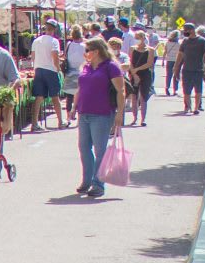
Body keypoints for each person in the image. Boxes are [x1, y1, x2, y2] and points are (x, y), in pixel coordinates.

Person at [72, 36, 126, 199]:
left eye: (87, 51)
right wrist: (74, 107)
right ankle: (87, 180)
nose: (85, 54)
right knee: (83, 147)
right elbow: (80, 89)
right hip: (84, 112)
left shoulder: (111, 67)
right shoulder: (86, 67)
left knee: (100, 149)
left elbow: (120, 90)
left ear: (96, 51)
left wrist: (119, 114)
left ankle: (98, 183)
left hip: (102, 114)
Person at [29, 25, 66, 131]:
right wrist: (58, 68)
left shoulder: (36, 41)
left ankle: (34, 123)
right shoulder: (54, 41)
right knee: (55, 97)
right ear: (54, 30)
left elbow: (33, 56)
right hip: (50, 70)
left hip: (39, 70)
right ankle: (60, 121)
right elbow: (55, 56)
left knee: (38, 97)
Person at [178, 24, 205, 116]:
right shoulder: (185, 41)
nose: (185, 32)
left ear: (191, 30)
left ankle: (196, 108)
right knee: (186, 90)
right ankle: (188, 106)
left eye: (186, 30)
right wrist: (176, 67)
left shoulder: (202, 41)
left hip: (198, 69)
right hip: (186, 69)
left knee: (198, 90)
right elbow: (180, 55)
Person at [128, 34, 155, 127]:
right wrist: (134, 73)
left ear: (143, 38)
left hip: (145, 74)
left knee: (144, 97)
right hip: (134, 74)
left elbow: (149, 63)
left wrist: (137, 69)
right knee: (134, 97)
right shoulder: (132, 48)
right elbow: (130, 62)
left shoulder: (150, 50)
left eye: (138, 38)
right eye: (136, 38)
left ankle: (143, 119)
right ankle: (134, 118)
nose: (137, 40)